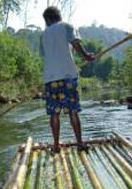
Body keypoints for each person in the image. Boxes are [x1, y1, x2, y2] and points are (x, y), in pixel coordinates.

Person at [39, 6, 96, 153]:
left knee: (54, 113)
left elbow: (47, 55)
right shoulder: (66, 26)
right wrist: (86, 57)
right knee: (72, 111)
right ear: (58, 17)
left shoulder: (43, 35)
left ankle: (56, 146)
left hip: (50, 79)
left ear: (47, 20)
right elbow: (76, 45)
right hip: (68, 77)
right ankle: (80, 144)